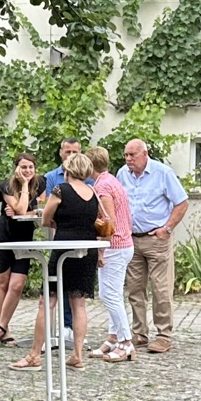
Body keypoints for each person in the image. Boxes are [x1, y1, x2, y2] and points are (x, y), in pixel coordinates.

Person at [11, 150, 99, 371]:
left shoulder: (61, 189)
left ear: (68, 170)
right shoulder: (92, 192)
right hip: (87, 250)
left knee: (47, 301)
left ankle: (34, 355)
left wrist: (58, 223)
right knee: (78, 304)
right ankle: (77, 355)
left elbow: (46, 219)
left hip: (63, 249)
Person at [119, 139, 189, 354]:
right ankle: (139, 333)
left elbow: (182, 202)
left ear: (145, 154)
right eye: (126, 155)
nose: (129, 159)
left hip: (156, 239)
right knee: (135, 289)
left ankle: (163, 335)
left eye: (133, 155)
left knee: (161, 289)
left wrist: (167, 228)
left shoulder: (162, 173)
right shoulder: (122, 174)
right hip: (132, 238)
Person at [0, 152, 43, 346]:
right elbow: (18, 210)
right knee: (3, 282)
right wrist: (25, 186)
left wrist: (25, 209)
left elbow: (40, 208)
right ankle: (5, 329)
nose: (27, 171)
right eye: (23, 167)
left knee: (17, 284)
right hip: (3, 235)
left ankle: (0, 327)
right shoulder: (6, 185)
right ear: (16, 168)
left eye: (30, 167)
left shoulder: (41, 184)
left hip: (24, 237)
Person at [86, 147, 136, 364]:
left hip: (114, 246)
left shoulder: (103, 186)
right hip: (123, 243)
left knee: (109, 295)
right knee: (112, 293)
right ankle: (113, 338)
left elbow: (108, 222)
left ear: (90, 165)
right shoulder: (111, 181)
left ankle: (126, 341)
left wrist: (99, 248)